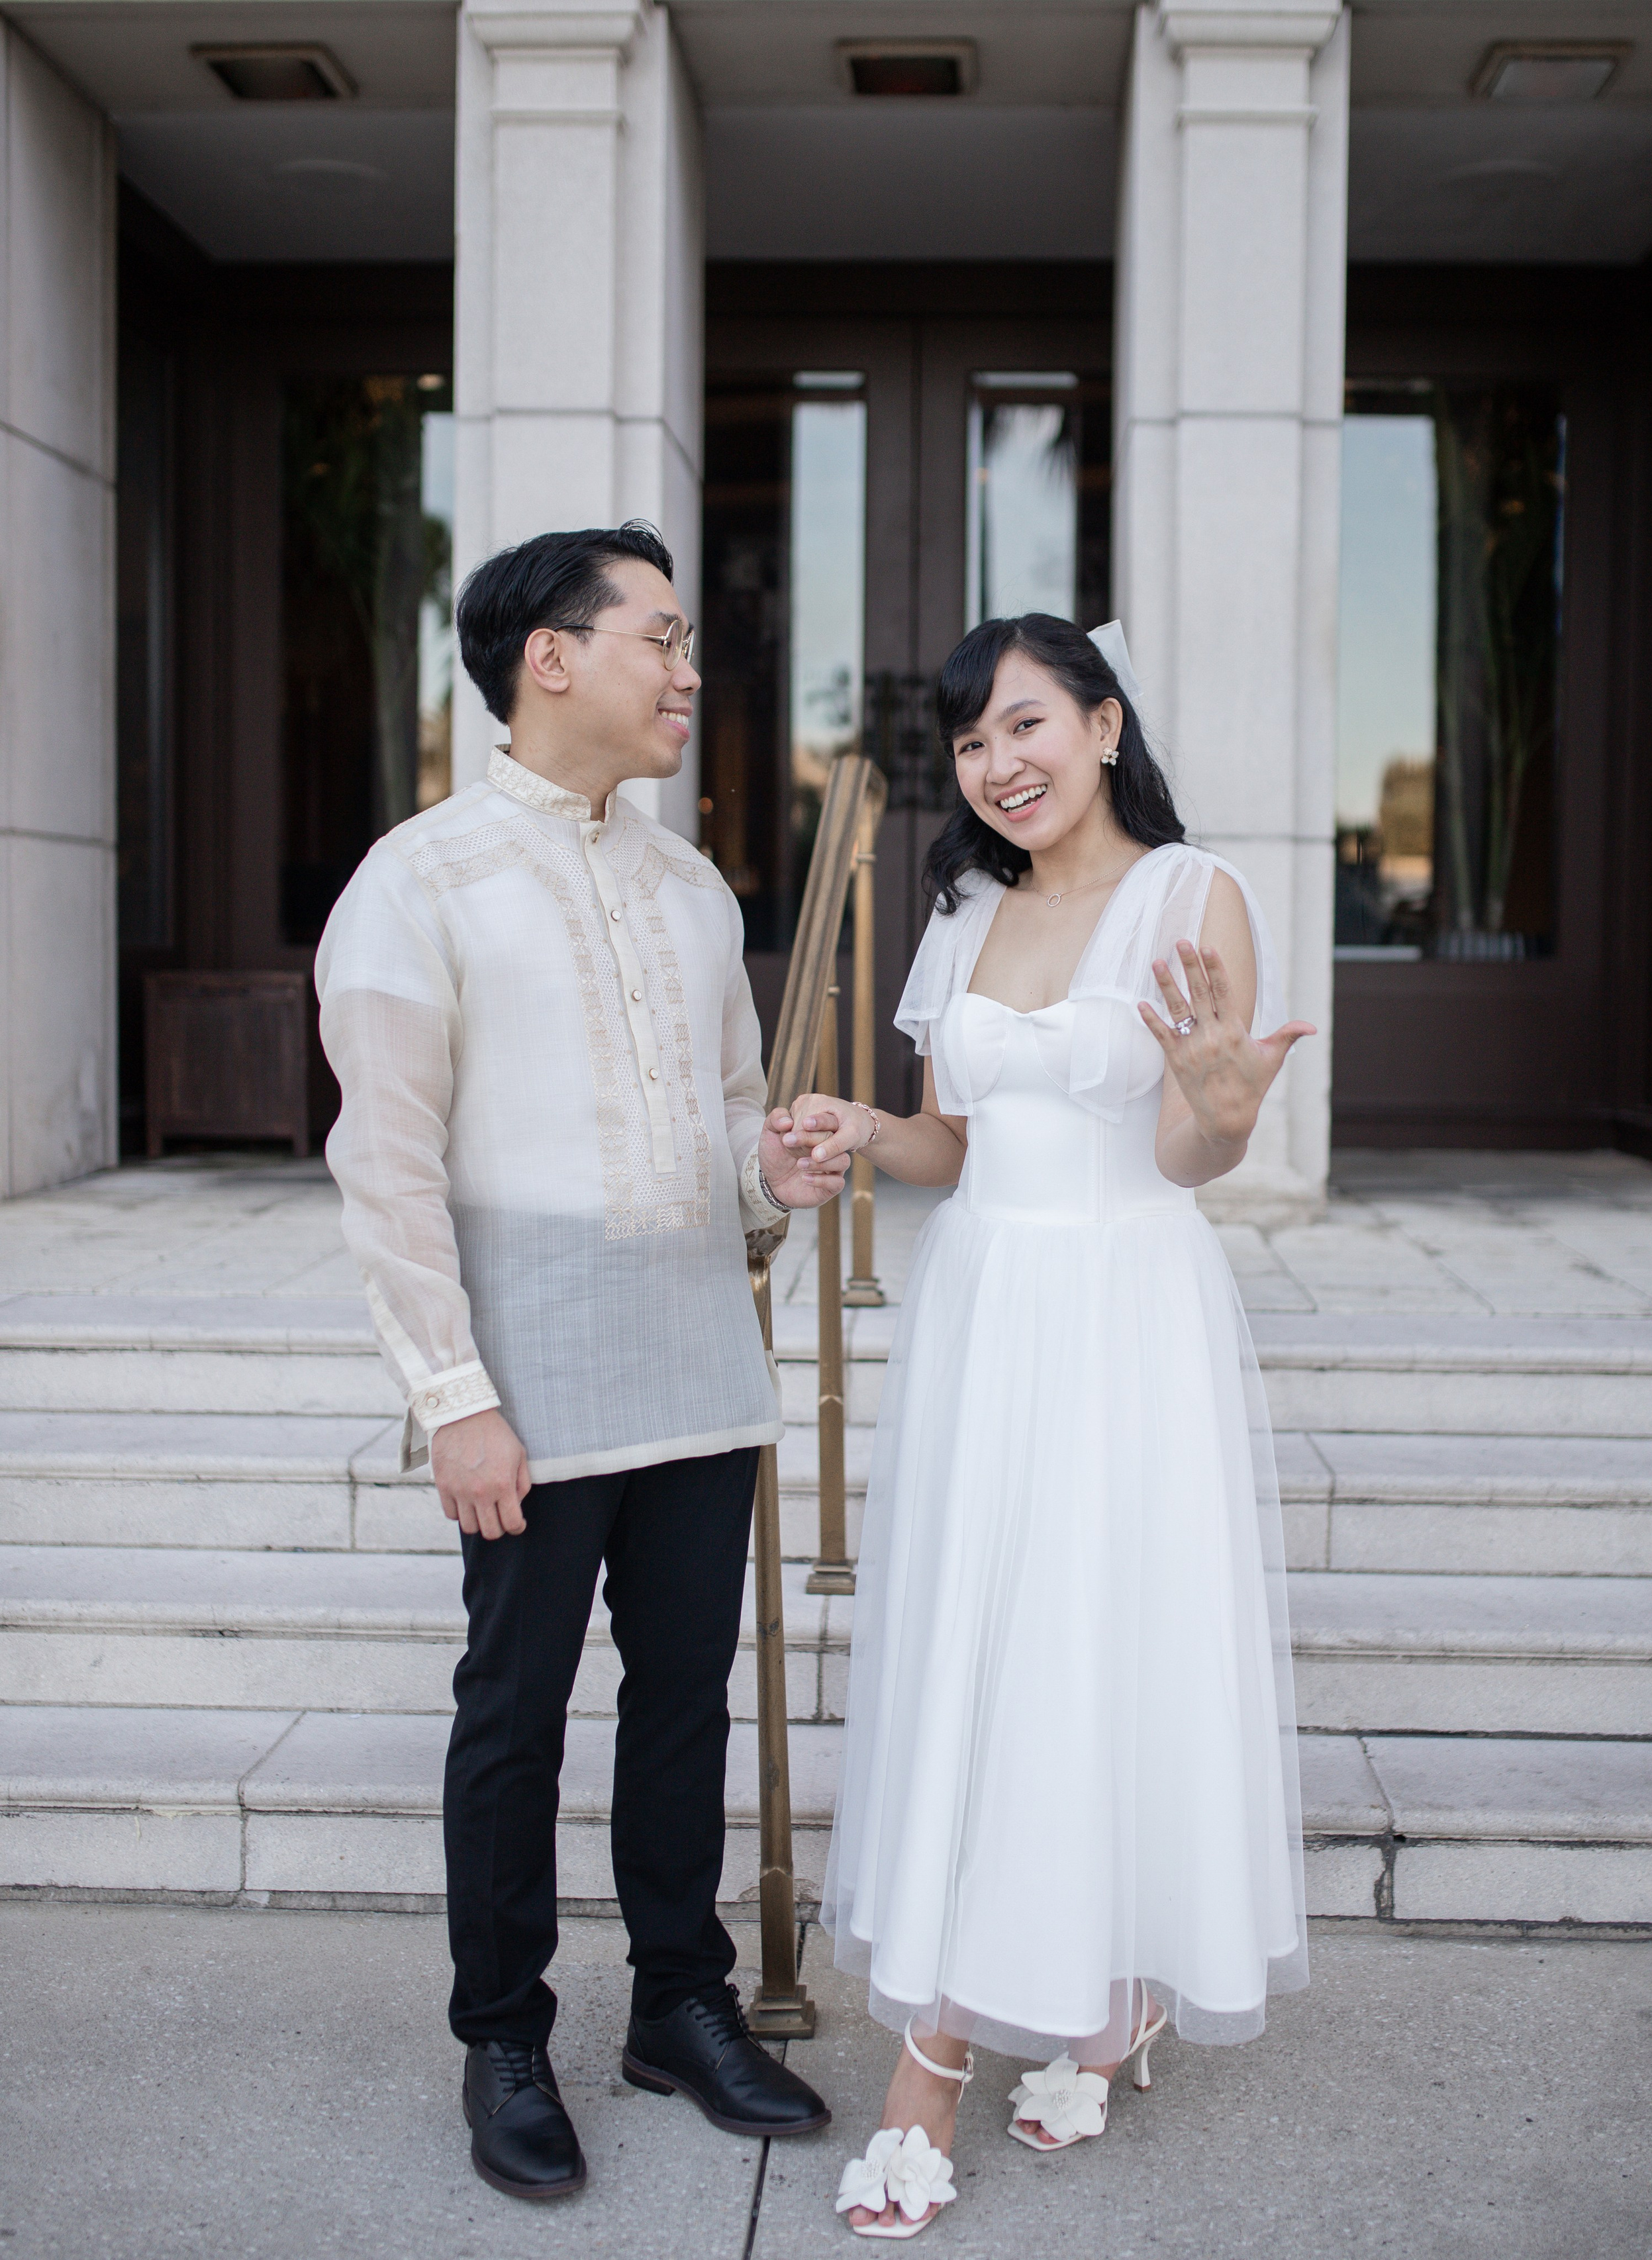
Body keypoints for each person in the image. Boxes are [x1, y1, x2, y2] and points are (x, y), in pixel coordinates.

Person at [767, 613, 1314, 2239]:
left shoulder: (1188, 892)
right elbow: (954, 1139)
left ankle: (925, 2072)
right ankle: (1104, 1999)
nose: (997, 766)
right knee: (982, 1649)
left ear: (1101, 720)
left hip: (1119, 1317)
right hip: (981, 1315)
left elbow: (1186, 1147)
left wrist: (1218, 1106)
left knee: (1076, 1655)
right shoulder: (961, 905)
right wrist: (866, 1128)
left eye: (1025, 726)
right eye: (968, 742)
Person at [316, 522, 841, 2201]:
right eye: (662, 641)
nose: (692, 674)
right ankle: (502, 2036)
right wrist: (451, 1400)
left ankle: (678, 2004)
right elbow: (384, 1168)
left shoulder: (692, 889)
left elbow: (724, 1124)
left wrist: (776, 1175)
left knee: (684, 1705)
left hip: (692, 1364)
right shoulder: (420, 879)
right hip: (524, 1388)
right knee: (514, 1717)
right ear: (550, 653)